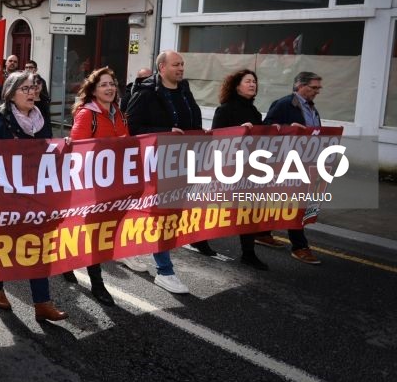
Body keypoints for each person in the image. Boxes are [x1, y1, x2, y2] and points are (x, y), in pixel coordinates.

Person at [0, 71, 68, 322]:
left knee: (37, 246)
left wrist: (66, 147)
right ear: (11, 94)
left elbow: (49, 150)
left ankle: (42, 303)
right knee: (3, 245)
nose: (32, 93)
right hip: (7, 197)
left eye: (34, 88)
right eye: (26, 89)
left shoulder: (42, 119)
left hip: (36, 194)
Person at [125, 50, 207, 294]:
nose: (181, 69)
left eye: (182, 64)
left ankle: (128, 247)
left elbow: (193, 121)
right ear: (162, 68)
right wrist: (164, 131)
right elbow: (133, 127)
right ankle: (165, 271)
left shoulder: (184, 90)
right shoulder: (146, 93)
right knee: (162, 215)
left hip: (183, 161)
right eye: (176, 65)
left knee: (168, 214)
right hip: (157, 163)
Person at [61, 67, 129, 306]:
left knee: (101, 232)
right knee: (94, 233)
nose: (109, 88)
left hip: (113, 184)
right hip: (91, 185)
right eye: (103, 85)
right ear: (94, 89)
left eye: (112, 83)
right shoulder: (86, 114)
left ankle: (67, 262)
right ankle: (97, 284)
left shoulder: (118, 112)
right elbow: (79, 151)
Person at [262, 71, 324, 265]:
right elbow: (267, 128)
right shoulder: (284, 104)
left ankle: (261, 232)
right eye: (313, 87)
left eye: (318, 88)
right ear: (300, 86)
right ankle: (300, 247)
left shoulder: (312, 108)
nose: (317, 91)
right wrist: (289, 126)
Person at [210, 69, 268, 271]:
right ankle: (200, 239)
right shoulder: (224, 110)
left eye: (254, 81)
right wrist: (238, 131)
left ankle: (248, 253)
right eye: (248, 81)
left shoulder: (255, 112)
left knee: (248, 211)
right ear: (236, 86)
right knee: (219, 210)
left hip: (250, 169)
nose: (253, 84)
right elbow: (217, 139)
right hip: (229, 170)